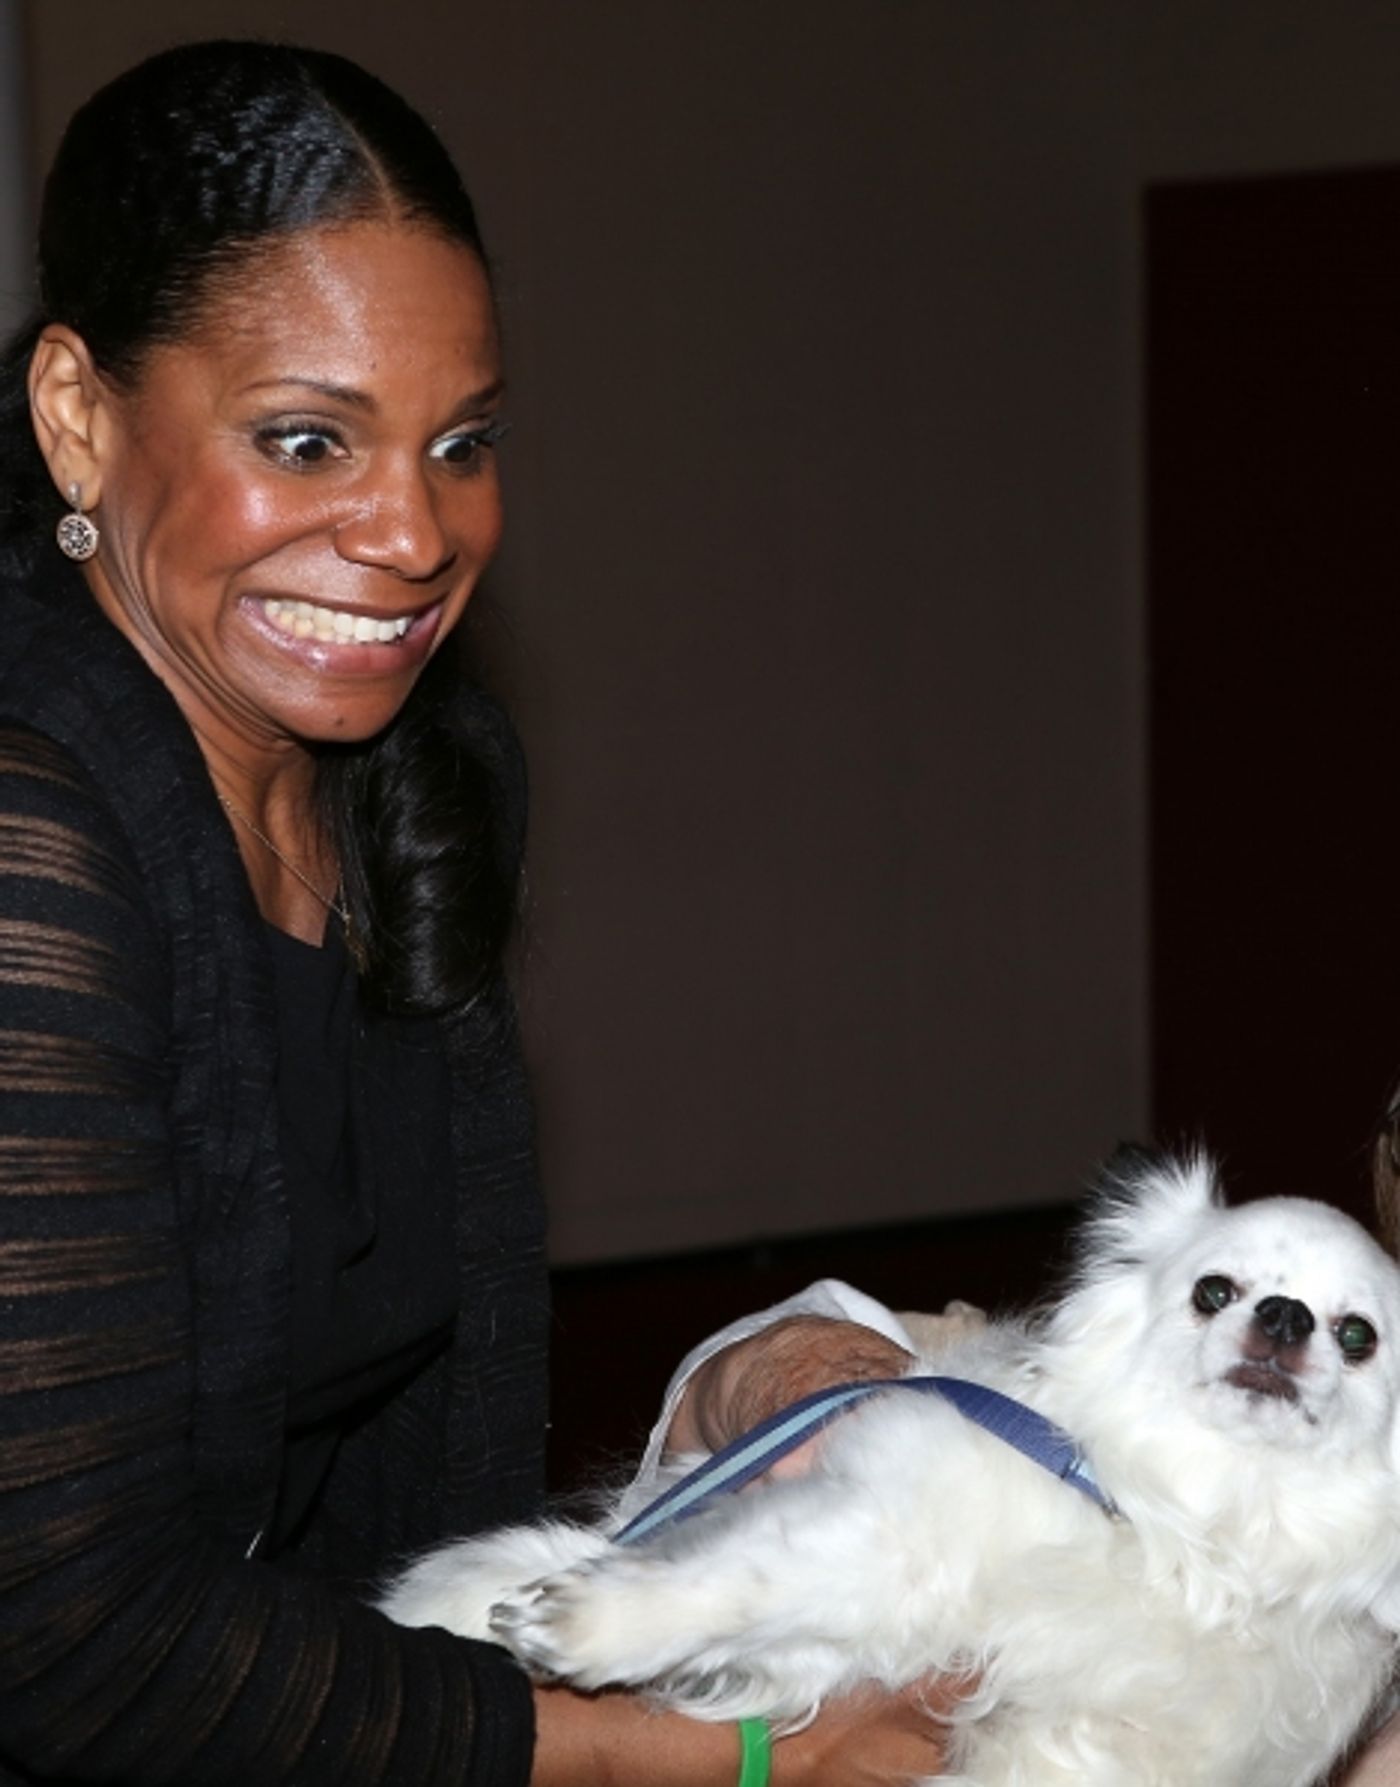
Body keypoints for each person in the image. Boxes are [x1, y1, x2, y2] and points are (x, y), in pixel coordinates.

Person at [0, 37, 961, 1787]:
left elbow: (420, 1463)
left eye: (463, 443)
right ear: (79, 414)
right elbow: (64, 1639)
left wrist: (751, 1404)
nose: (414, 531)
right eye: (309, 441)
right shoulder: (28, 835)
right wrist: (709, 1756)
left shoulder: (412, 784)